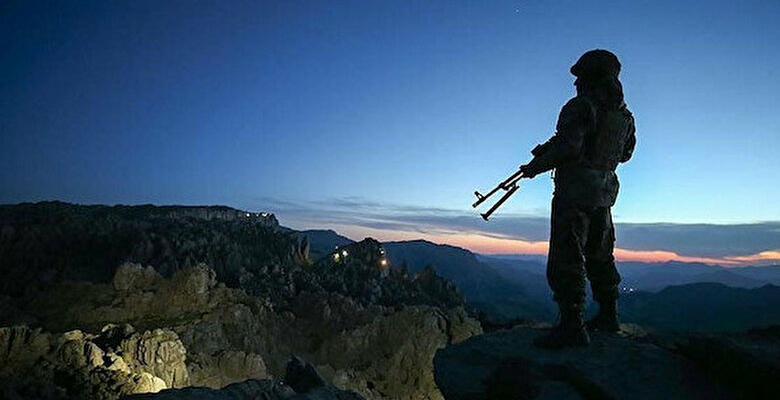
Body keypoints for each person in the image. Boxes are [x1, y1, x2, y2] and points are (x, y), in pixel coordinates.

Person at [519, 49, 636, 348]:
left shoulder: (580, 107)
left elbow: (569, 148)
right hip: (605, 193)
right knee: (600, 253)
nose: (575, 83)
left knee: (567, 255)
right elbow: (625, 154)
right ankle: (609, 315)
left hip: (574, 193)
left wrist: (536, 167)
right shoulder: (624, 116)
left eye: (580, 76)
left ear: (590, 76)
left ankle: (572, 325)